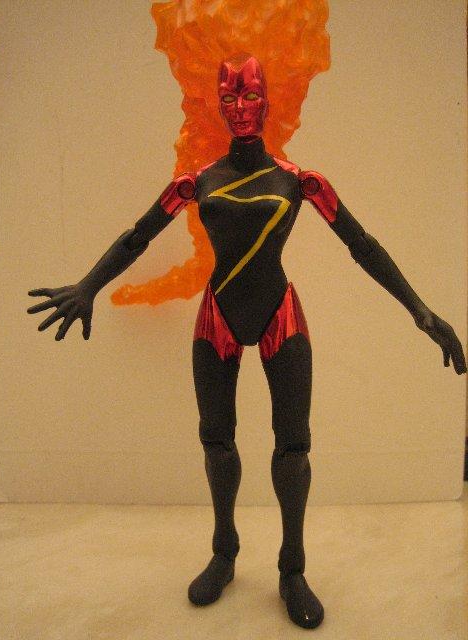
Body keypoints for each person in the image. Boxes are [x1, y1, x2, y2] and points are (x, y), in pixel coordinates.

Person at [27, 54, 466, 630]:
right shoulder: (195, 182)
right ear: (216, 105)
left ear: (268, 102)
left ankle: (292, 568)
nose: (239, 108)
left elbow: (361, 245)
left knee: (293, 449)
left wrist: (420, 311)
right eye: (229, 98)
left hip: (281, 314)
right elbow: (138, 236)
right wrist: (89, 285)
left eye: (250, 96)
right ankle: (224, 552)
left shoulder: (302, 182)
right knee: (217, 442)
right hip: (219, 316)